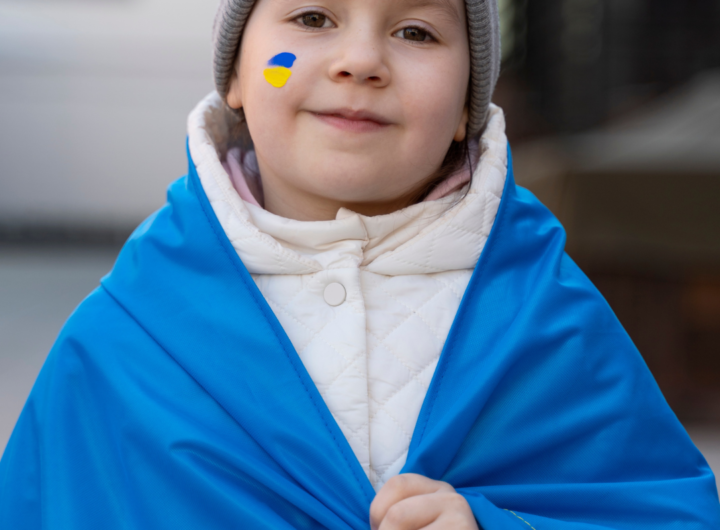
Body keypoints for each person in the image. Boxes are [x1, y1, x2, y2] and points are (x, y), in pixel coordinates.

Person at [1, 0, 719, 528]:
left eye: (415, 32)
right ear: (239, 79)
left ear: (469, 107)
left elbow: (656, 511)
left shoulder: (546, 307)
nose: (361, 61)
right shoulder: (126, 332)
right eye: (313, 19)